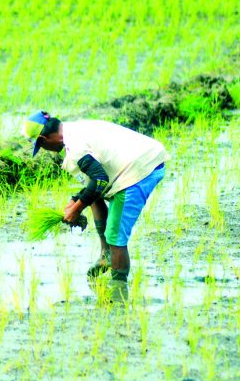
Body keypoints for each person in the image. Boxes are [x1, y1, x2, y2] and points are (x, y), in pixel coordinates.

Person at [22, 111, 170, 300]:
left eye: (41, 145)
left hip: (139, 169)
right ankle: (105, 255)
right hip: (132, 161)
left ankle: (118, 291)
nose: (44, 149)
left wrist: (76, 209)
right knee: (92, 197)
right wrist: (75, 200)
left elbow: (100, 179)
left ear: (44, 138)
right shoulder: (73, 130)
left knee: (115, 234)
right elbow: (93, 181)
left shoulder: (75, 146)